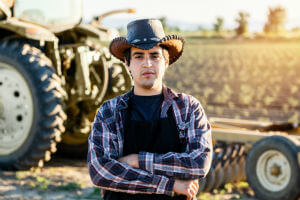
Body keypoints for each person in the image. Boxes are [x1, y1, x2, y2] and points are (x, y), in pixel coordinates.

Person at [88, 19, 212, 200]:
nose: (147, 64)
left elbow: (198, 162)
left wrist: (137, 160)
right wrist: (170, 185)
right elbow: (101, 172)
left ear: (166, 61)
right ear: (127, 63)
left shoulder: (187, 108)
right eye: (138, 56)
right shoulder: (110, 112)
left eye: (155, 56)